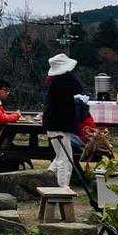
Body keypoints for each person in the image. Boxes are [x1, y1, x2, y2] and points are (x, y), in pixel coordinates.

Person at [42, 54, 85, 188]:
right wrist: (69, 73)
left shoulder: (55, 81)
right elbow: (78, 87)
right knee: (65, 158)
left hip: (54, 124)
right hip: (58, 125)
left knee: (60, 155)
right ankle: (63, 186)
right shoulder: (61, 82)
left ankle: (47, 177)